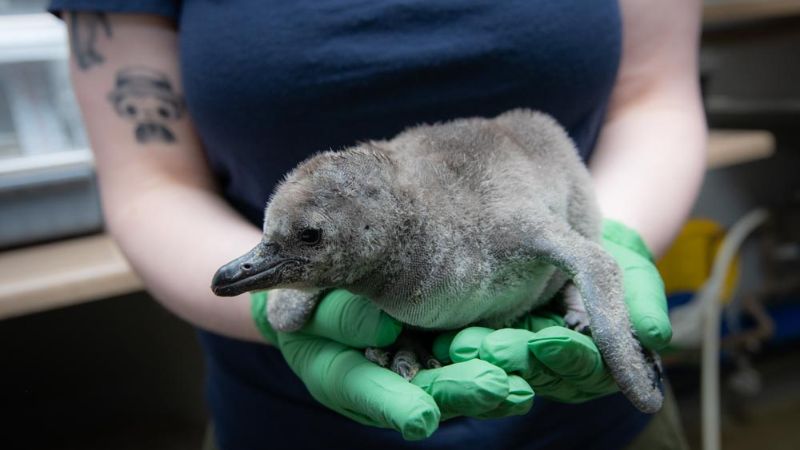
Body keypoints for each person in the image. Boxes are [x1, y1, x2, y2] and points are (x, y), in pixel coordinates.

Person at [51, 1, 706, 448]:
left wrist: (611, 280)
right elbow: (151, 180)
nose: (247, 265)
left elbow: (654, 97)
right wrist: (275, 309)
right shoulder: (343, 256)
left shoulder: (504, 222)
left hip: (591, 429)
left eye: (301, 240)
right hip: (280, 424)